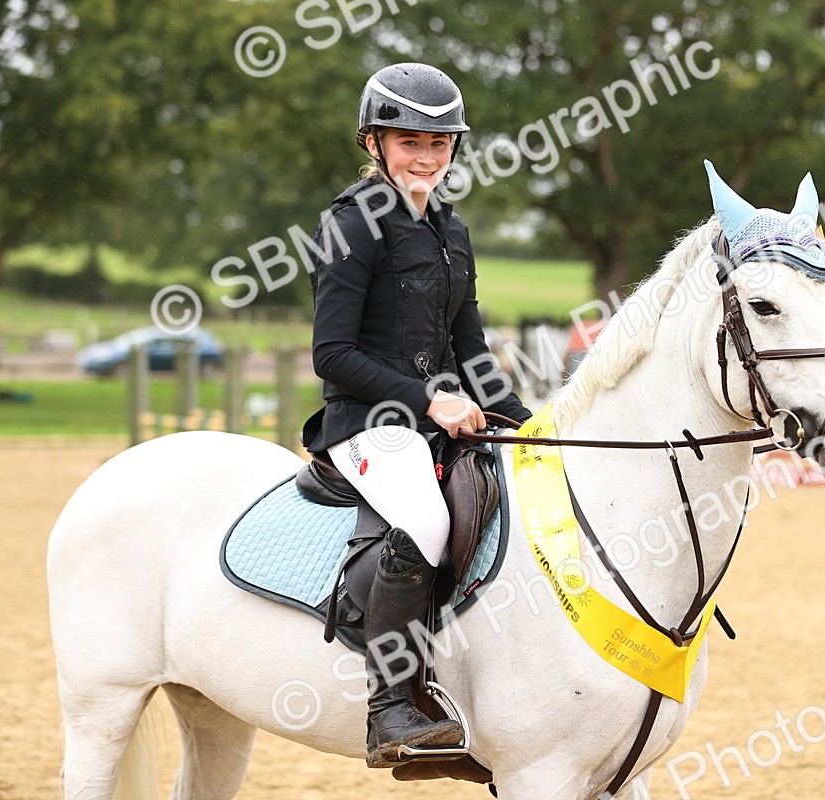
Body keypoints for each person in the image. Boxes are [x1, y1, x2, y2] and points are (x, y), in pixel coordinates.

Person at [301, 63, 532, 768]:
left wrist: (525, 420)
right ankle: (392, 705)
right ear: (373, 143)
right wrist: (430, 398)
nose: (426, 157)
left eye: (439, 144)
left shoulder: (450, 231)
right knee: (426, 520)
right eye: (409, 143)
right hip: (364, 425)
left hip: (433, 419)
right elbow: (332, 353)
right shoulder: (348, 226)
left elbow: (471, 350)